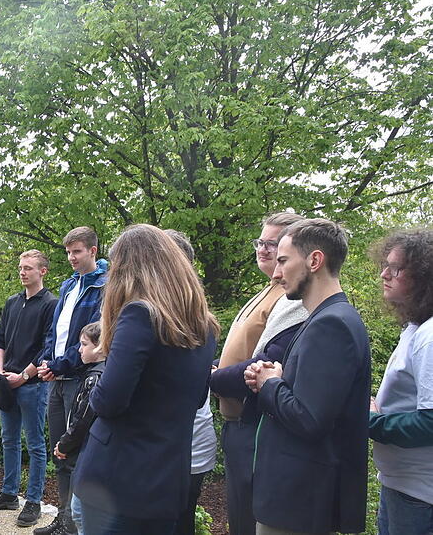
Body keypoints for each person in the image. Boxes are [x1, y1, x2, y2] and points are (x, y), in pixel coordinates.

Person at [71, 224, 218, 534]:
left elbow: (108, 401)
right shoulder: (204, 325)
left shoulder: (139, 315)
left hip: (118, 479)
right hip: (168, 478)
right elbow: (197, 399)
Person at [246, 218, 370, 534]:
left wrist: (269, 384)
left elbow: (310, 419)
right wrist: (279, 377)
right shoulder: (327, 318)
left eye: (283, 261)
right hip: (297, 499)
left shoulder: (332, 325)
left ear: (314, 261)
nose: (276, 273)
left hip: (298, 502)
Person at [209, 212, 306, 535]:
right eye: (260, 242)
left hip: (255, 425)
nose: (263, 249)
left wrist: (211, 378)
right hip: (239, 424)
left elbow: (266, 363)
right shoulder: (269, 289)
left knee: (251, 521)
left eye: (272, 244)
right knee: (240, 518)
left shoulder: (293, 298)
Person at [35, 226, 108, 535]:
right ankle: (63, 520)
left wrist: (59, 364)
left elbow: (94, 338)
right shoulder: (68, 285)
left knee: (76, 453)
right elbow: (55, 331)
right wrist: (47, 361)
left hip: (80, 378)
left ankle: (77, 524)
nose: (71, 257)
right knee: (60, 452)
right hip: (57, 378)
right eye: (68, 252)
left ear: (93, 250)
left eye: (76, 251)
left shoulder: (104, 285)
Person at [0, 250, 57, 528]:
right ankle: (9, 494)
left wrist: (23, 376)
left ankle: (33, 501)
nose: (22, 272)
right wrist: (1, 372)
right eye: (21, 267)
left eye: (28, 268)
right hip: (7, 384)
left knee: (35, 445)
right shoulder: (12, 302)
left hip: (32, 386)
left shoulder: (51, 304)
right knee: (8, 440)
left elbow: (48, 347)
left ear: (43, 271)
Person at [368, 228, 433, 535]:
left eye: (395, 269)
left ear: (424, 277)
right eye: (385, 265)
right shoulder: (416, 327)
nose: (384, 274)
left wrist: (371, 421)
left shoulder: (430, 336)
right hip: (402, 484)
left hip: (419, 493)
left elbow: (430, 422)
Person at [164, 229, 218, 535]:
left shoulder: (195, 319)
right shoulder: (200, 317)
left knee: (178, 519)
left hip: (186, 443)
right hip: (173, 445)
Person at [54, 321, 105, 535]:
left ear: (100, 347)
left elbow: (83, 419)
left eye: (84, 344)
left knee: (80, 512)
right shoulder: (91, 372)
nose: (79, 350)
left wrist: (65, 444)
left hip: (86, 452)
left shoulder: (95, 377)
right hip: (84, 451)